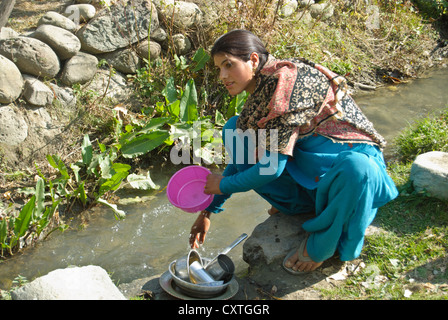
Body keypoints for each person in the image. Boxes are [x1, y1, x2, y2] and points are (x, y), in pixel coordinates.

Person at [188, 29, 398, 273]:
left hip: (346, 180)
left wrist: (222, 185)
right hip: (309, 173)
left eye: (228, 65)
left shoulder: (284, 89)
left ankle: (322, 245)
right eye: (218, 68)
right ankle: (298, 205)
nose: (223, 76)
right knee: (235, 130)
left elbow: (269, 171)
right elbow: (241, 159)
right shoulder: (261, 91)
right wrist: (209, 209)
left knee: (357, 167)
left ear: (253, 60)